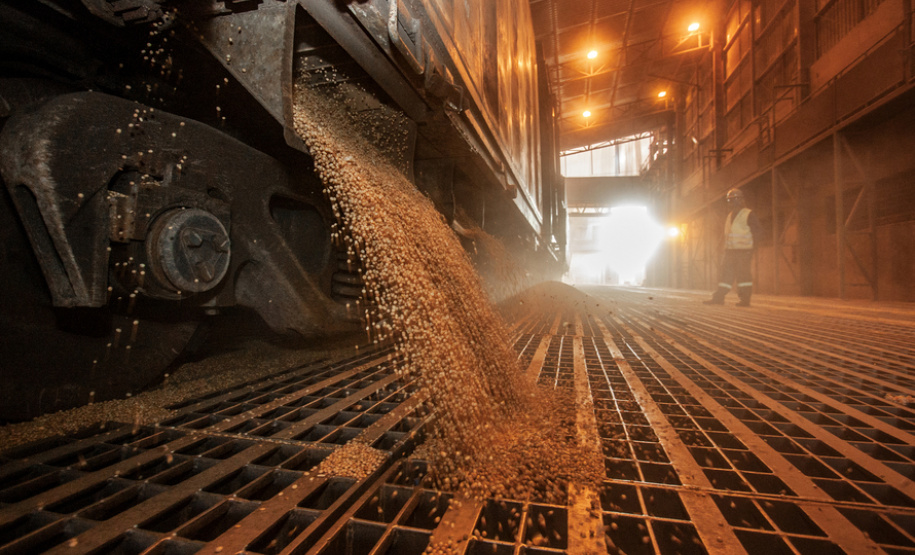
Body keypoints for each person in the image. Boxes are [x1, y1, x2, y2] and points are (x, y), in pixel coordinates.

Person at [704, 188, 763, 307]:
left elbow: (758, 232)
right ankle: (719, 298)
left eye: (732, 200)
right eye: (729, 200)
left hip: (743, 251)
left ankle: (745, 300)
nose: (730, 202)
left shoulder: (748, 214)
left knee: (743, 276)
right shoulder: (730, 215)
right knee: (725, 275)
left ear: (739, 200)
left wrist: (752, 249)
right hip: (730, 251)